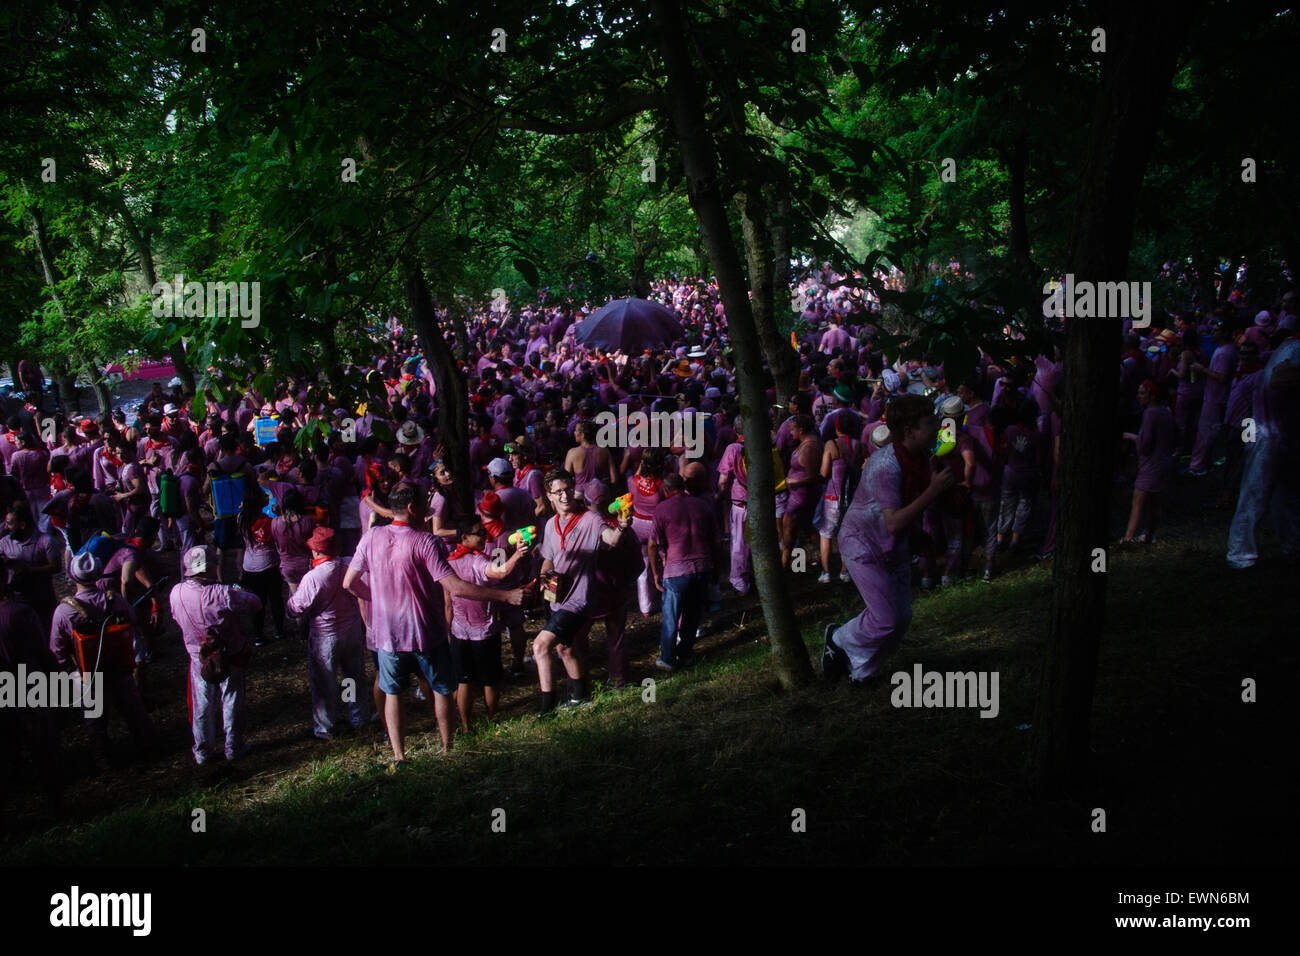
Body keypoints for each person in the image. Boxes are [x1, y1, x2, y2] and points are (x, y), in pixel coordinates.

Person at [343, 483, 522, 766]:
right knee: (441, 688)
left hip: (387, 635)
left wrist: (377, 601)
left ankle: (399, 755)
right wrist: (505, 595)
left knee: (393, 692)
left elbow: (349, 583)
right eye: (426, 507)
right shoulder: (425, 542)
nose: (431, 512)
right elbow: (456, 587)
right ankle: (446, 748)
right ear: (412, 509)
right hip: (425, 633)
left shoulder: (371, 537)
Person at [823, 394, 956, 685]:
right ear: (909, 430)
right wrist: (933, 491)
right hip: (863, 545)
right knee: (886, 618)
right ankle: (838, 637)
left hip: (892, 546)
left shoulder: (920, 458)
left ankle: (861, 672)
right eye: (928, 423)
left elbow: (903, 513)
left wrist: (919, 535)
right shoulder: (887, 465)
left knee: (900, 619)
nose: (936, 427)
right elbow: (894, 522)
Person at [534, 468, 631, 713]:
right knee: (564, 648)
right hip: (556, 599)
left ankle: (547, 709)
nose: (565, 495)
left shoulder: (590, 519)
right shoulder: (550, 524)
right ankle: (580, 697)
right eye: (558, 492)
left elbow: (609, 539)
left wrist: (620, 526)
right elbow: (549, 558)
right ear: (549, 496)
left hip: (579, 601)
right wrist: (545, 574)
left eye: (567, 489)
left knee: (540, 646)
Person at [49, 551, 154, 767]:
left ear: (73, 577)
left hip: (86, 673)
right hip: (119, 665)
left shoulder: (63, 611)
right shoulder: (113, 599)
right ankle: (145, 747)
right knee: (133, 710)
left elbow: (56, 648)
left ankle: (103, 758)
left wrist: (66, 670)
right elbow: (132, 620)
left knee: (95, 718)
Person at [170, 545, 262, 764]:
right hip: (229, 656)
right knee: (231, 700)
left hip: (197, 658)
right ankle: (234, 746)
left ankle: (202, 750)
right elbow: (255, 603)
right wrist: (238, 591)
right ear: (209, 567)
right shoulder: (222, 593)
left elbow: (175, 618)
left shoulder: (176, 593)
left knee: (202, 704)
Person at [444, 517, 530, 731]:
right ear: (464, 538)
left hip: (459, 631)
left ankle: (465, 726)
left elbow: (447, 604)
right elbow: (500, 572)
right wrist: (518, 555)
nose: (484, 536)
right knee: (490, 680)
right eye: (479, 534)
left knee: (464, 680)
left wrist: (448, 631)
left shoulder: (449, 562)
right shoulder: (476, 561)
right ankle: (492, 721)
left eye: (484, 532)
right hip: (484, 632)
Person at [286, 527, 371, 740]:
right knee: (351, 676)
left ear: (316, 552)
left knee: (324, 682)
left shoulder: (313, 577)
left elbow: (295, 608)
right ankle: (357, 716)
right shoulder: (350, 564)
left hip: (325, 637)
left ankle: (326, 726)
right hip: (351, 630)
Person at [1225, 327, 1300, 568]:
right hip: (1266, 432)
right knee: (1254, 492)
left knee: (1286, 492)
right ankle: (1240, 555)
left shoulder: (1289, 346)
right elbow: (1280, 377)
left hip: (1279, 432)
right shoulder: (1294, 348)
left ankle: (1292, 545)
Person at [648, 472, 721, 670]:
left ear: (665, 490)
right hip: (703, 567)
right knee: (692, 614)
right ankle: (686, 652)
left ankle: (668, 659)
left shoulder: (662, 509)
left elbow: (653, 545)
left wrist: (655, 573)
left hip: (677, 570)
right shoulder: (702, 505)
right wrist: (716, 567)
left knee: (672, 617)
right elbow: (716, 541)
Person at [1121, 380, 1178, 543]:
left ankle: (1128, 538)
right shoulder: (1166, 411)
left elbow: (1145, 443)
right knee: (1155, 501)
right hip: (1165, 460)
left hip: (1152, 463)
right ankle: (1150, 534)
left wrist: (1130, 437)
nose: (1139, 396)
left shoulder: (1150, 414)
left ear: (1152, 396)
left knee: (1138, 501)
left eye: (1142, 393)